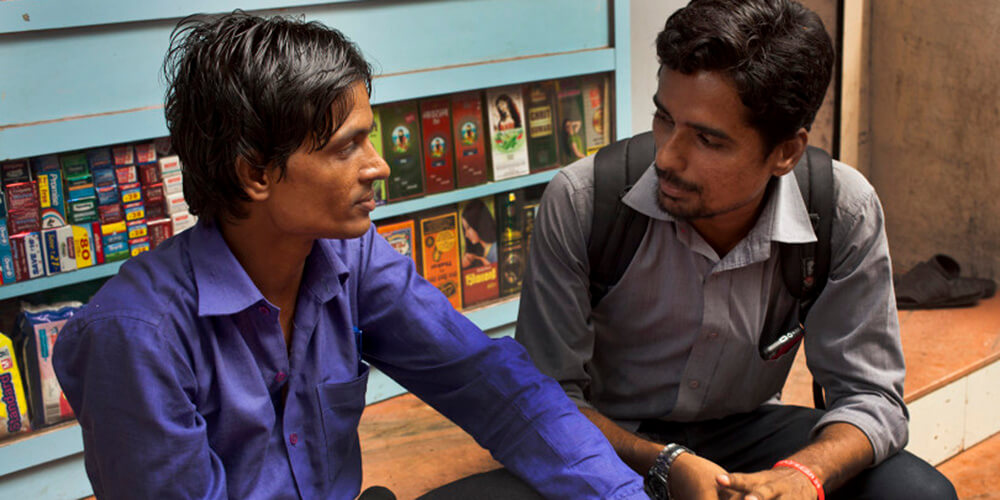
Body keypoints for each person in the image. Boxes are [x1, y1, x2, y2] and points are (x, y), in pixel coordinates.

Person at [52, 12, 647, 500]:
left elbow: (489, 383)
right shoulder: (134, 338)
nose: (378, 166)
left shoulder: (349, 257)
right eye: (347, 147)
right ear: (255, 174)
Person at [515, 1, 958, 499]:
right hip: (608, 441)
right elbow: (544, 402)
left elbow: (871, 397)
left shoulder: (840, 211)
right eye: (665, 117)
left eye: (707, 139)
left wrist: (802, 475)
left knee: (917, 494)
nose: (666, 156)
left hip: (746, 435)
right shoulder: (583, 202)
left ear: (786, 152)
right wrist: (665, 463)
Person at [461, 198, 498, 268]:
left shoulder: (495, 250)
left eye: (468, 228)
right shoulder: (483, 252)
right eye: (465, 229)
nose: (466, 234)